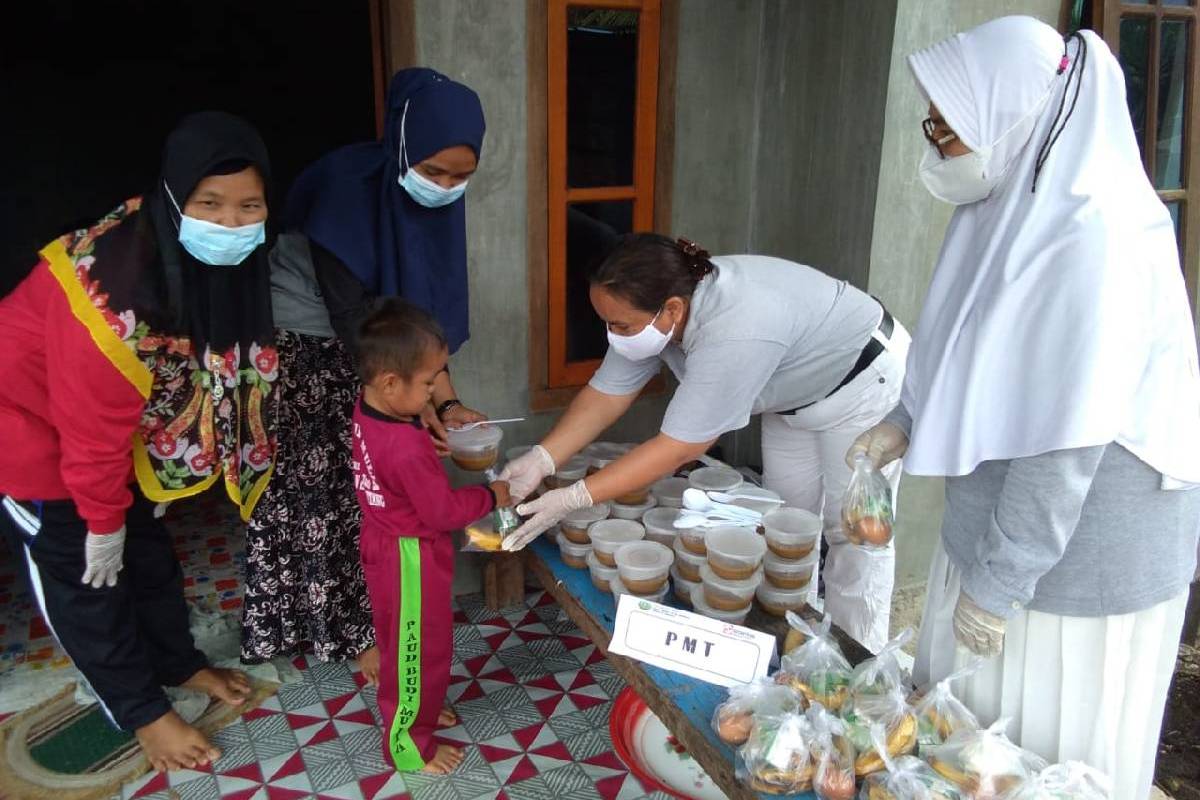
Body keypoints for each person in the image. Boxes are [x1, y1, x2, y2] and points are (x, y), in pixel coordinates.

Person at [849, 17, 1200, 799]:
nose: (934, 146)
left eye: (947, 128)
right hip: (1002, 532)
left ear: (1012, 120)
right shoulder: (1011, 204)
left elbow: (1065, 441)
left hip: (1077, 560)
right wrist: (902, 422)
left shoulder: (1093, 237)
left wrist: (1000, 581)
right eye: (934, 125)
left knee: (1043, 751)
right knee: (966, 741)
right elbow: (965, 346)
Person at [0, 112, 279, 772]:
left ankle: (177, 664)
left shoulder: (202, 257)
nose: (233, 223)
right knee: (87, 579)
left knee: (148, 555)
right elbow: (87, 436)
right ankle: (137, 710)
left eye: (250, 205)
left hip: (109, 435)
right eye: (211, 204)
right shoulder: (110, 301)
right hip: (27, 428)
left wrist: (124, 512)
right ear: (176, 197)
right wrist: (100, 523)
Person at [501, 234, 910, 651]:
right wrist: (543, 458)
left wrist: (575, 497)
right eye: (606, 322)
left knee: (854, 532)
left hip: (862, 381)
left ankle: (862, 661)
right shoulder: (654, 307)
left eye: (619, 325)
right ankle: (803, 651)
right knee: (787, 525)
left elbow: (680, 447)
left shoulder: (735, 329)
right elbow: (607, 395)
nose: (612, 335)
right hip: (793, 394)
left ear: (672, 310)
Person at [240, 68, 488, 675]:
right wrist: (416, 404)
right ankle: (345, 635)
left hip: (380, 351)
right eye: (434, 173)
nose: (447, 187)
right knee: (323, 486)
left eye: (462, 177)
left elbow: (423, 321)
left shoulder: (436, 205)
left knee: (369, 492)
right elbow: (361, 322)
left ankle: (359, 619)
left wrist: (447, 404)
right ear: (404, 148)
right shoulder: (344, 192)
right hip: (308, 342)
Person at [350, 298, 509, 774]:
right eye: (428, 384)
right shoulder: (406, 445)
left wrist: (420, 436)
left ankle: (415, 705)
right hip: (410, 558)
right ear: (390, 382)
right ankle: (408, 744)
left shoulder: (370, 410)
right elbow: (441, 512)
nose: (432, 395)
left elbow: (398, 472)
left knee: (401, 643)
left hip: (382, 543)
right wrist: (492, 496)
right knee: (420, 649)